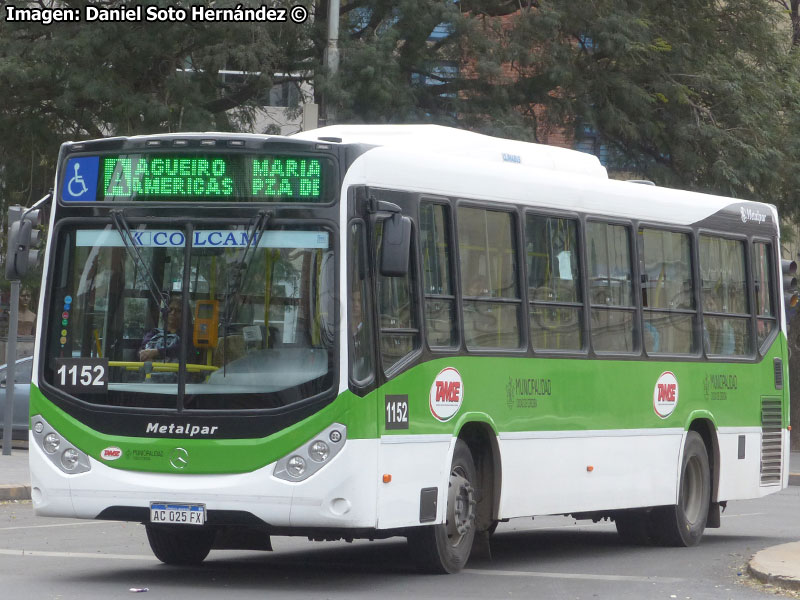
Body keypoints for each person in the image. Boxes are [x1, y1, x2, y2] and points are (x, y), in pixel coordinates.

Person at [139, 295, 185, 362]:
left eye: (178, 311)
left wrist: (157, 352)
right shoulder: (154, 333)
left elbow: (181, 350)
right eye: (170, 309)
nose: (173, 313)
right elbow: (143, 348)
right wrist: (144, 356)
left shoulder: (186, 335)